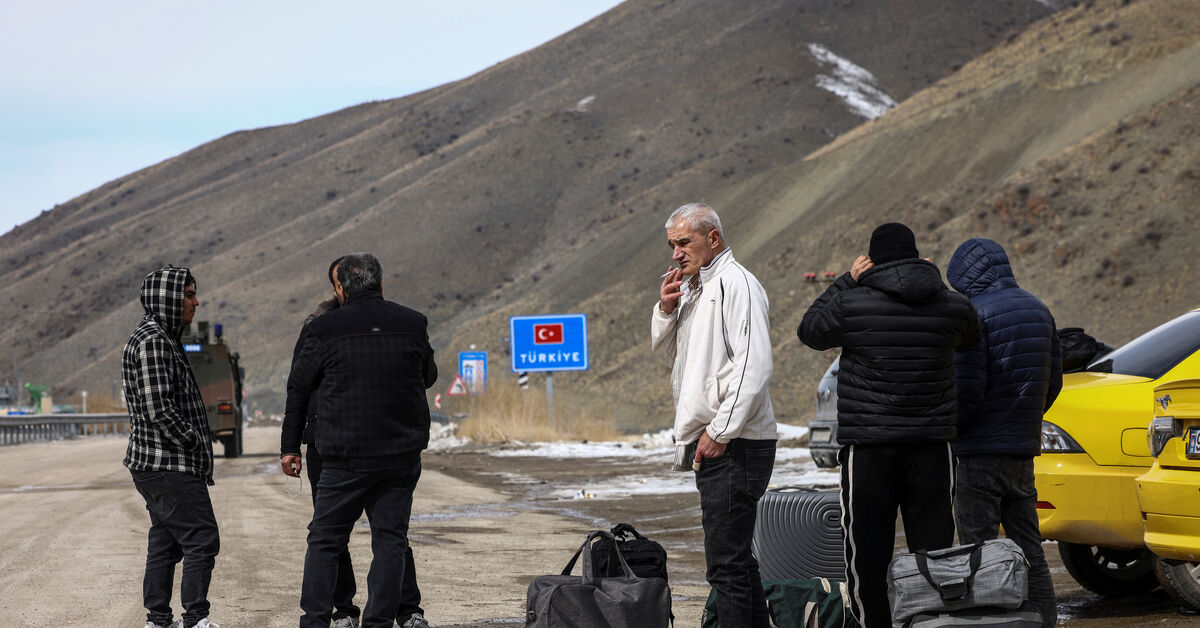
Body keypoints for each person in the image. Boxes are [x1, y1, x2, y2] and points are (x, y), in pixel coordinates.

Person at [797, 223, 981, 628]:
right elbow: (971, 336)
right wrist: (930, 279)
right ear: (917, 256)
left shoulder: (853, 303)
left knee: (867, 551)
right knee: (934, 552)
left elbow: (809, 329)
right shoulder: (953, 307)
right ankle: (929, 622)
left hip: (869, 448)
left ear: (871, 261)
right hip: (932, 447)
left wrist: (847, 279)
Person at [287, 253, 438, 628]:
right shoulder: (412, 322)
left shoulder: (323, 328)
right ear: (380, 284)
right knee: (390, 540)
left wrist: (289, 445)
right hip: (399, 456)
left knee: (324, 539)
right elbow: (429, 375)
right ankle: (379, 622)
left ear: (340, 289)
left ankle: (317, 621)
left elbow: (299, 386)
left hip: (343, 457)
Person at [651, 203, 777, 627]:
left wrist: (721, 431)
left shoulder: (736, 284)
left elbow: (754, 365)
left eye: (684, 242)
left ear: (714, 239)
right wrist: (667, 312)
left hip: (736, 444)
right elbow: (676, 364)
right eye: (672, 245)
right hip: (722, 441)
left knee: (726, 567)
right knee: (736, 563)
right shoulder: (696, 290)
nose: (676, 253)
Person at [947, 238, 1062, 628]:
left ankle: (990, 623)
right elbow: (1055, 382)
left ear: (967, 276)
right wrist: (1025, 419)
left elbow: (968, 391)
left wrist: (953, 433)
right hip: (1022, 450)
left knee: (978, 552)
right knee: (1031, 548)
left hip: (979, 452)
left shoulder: (974, 314)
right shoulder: (1039, 308)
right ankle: (1046, 620)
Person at [122, 266, 222, 628]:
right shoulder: (153, 341)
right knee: (201, 538)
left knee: (166, 541)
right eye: (189, 295)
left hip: (160, 462)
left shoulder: (164, 336)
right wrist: (193, 440)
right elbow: (157, 408)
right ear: (168, 298)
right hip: (168, 463)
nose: (196, 302)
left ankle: (158, 620)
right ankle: (196, 619)